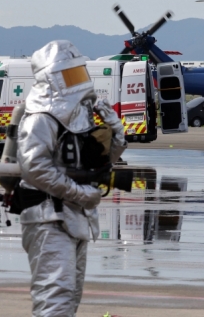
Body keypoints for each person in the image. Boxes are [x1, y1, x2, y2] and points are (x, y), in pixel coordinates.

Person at [16, 41, 127, 316]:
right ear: (53, 78)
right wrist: (80, 193)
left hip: (76, 217)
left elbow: (99, 162)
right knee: (55, 299)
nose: (78, 81)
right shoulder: (40, 118)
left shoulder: (80, 115)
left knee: (70, 297)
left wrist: (116, 133)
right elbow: (35, 168)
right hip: (47, 218)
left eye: (79, 73)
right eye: (70, 75)